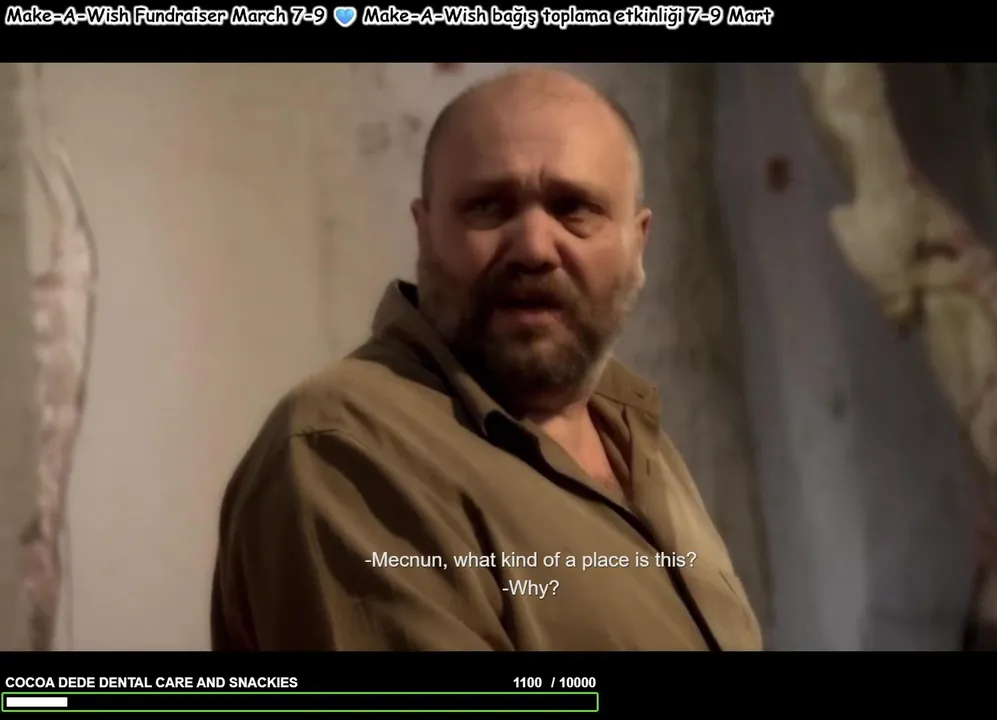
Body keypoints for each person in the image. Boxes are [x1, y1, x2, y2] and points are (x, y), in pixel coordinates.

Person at [210, 69, 763, 651]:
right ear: (425, 232)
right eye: (488, 207)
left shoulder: (632, 435)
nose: (533, 248)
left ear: (638, 244)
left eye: (574, 208)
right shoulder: (348, 449)